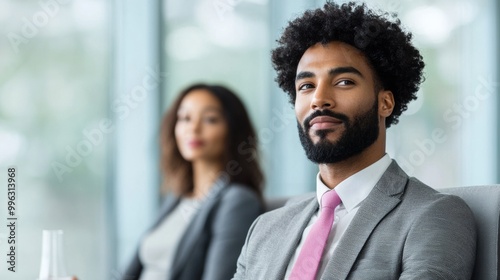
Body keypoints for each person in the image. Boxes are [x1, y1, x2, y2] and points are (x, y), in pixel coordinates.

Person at [233, 2, 476, 279]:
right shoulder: (265, 228)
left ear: (385, 103)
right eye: (306, 86)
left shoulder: (432, 215)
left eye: (344, 82)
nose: (319, 99)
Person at [122, 83, 264, 280]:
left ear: (233, 130)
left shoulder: (238, 201)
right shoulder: (177, 198)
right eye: (185, 118)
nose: (193, 128)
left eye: (210, 119)